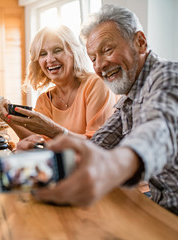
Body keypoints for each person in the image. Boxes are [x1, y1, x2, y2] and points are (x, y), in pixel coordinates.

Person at [32, 4, 178, 215]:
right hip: (161, 211)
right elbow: (99, 144)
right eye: (93, 58)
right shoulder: (129, 97)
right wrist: (39, 161)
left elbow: (156, 131)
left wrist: (112, 167)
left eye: (107, 50)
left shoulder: (168, 77)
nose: (99, 66)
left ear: (140, 42)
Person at [0, 25, 116, 142]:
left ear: (73, 52)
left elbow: (98, 143)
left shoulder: (96, 84)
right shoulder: (45, 100)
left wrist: (52, 130)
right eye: (43, 54)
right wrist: (10, 119)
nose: (50, 59)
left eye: (57, 50)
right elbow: (37, 141)